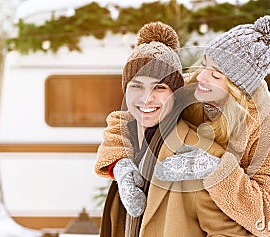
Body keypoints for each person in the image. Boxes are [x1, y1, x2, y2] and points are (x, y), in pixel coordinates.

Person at [95, 22, 255, 237]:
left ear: (175, 94)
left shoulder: (198, 155)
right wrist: (118, 166)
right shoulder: (127, 146)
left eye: (159, 87)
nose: (146, 98)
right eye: (136, 85)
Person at [154, 15, 270, 236]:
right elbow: (133, 114)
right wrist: (120, 164)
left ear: (237, 90)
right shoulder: (187, 88)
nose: (201, 76)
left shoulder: (264, 126)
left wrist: (215, 170)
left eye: (216, 75)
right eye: (204, 64)